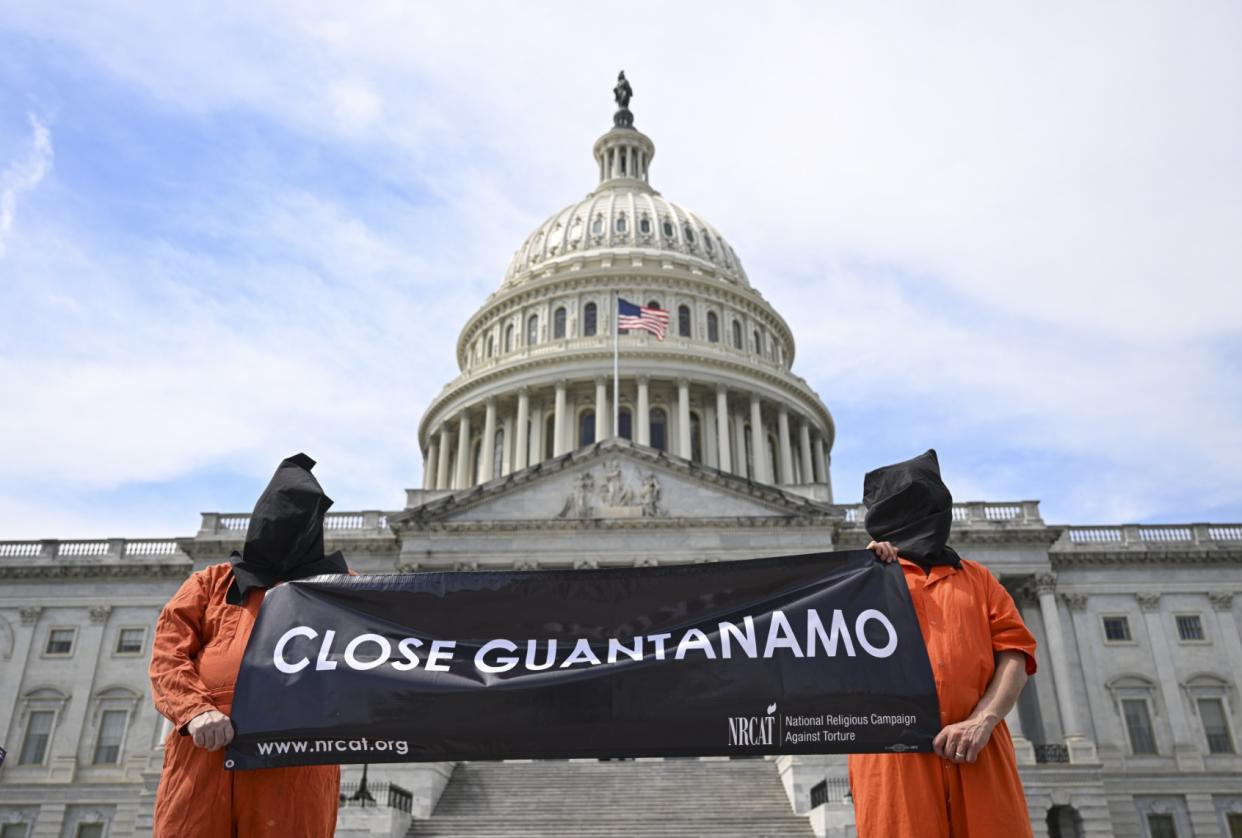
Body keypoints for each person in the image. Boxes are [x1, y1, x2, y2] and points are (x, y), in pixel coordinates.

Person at [150, 453, 348, 837]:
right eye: (277, 519)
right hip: (206, 746)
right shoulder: (210, 583)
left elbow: (386, 655)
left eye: (298, 523)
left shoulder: (340, 589)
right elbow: (167, 657)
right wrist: (195, 711)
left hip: (295, 754)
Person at [849, 449, 1037, 838]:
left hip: (979, 748)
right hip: (895, 760)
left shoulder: (980, 579)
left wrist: (983, 720)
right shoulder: (865, 581)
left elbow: (1015, 654)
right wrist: (862, 579)